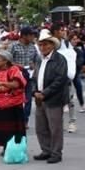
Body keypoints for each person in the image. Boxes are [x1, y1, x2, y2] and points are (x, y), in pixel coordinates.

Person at [32, 31, 69, 163]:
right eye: (41, 45)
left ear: (52, 45)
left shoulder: (59, 59)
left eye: (46, 44)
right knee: (40, 127)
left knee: (55, 128)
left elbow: (60, 80)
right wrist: (34, 91)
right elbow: (34, 77)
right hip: (39, 97)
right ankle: (46, 150)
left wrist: (45, 93)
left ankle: (56, 152)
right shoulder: (38, 59)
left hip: (53, 98)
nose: (43, 47)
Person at [0, 49, 27, 151]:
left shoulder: (14, 70)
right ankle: (5, 146)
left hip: (13, 104)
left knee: (12, 128)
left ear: (6, 61)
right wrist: (2, 87)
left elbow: (16, 84)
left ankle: (14, 147)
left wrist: (1, 83)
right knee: (2, 129)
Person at [10, 26, 41, 124]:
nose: (33, 37)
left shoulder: (33, 46)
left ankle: (25, 119)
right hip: (16, 75)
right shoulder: (14, 46)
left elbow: (37, 60)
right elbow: (7, 60)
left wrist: (34, 65)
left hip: (29, 75)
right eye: (31, 35)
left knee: (27, 98)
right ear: (24, 36)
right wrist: (17, 65)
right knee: (15, 97)